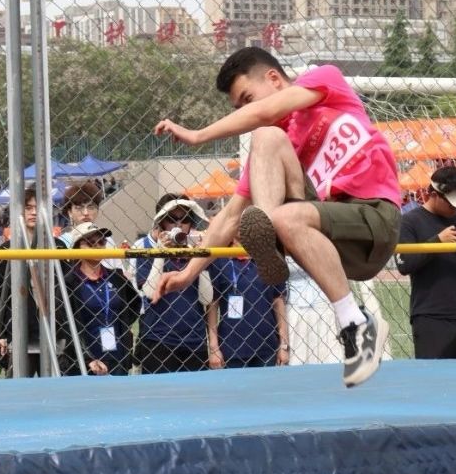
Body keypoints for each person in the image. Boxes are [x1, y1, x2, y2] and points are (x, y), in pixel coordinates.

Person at [151, 47, 400, 387]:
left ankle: (276, 235)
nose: (246, 111)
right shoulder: (276, 141)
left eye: (247, 99)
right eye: (239, 108)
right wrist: (187, 273)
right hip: (331, 239)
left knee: (265, 137)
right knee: (267, 139)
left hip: (373, 215)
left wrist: (198, 135)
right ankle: (351, 320)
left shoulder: (325, 79)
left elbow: (265, 111)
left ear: (273, 78)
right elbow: (229, 216)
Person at [396, 166, 456, 359]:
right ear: (434, 194)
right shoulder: (409, 222)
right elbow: (404, 264)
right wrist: (438, 241)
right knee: (435, 375)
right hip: (431, 316)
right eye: (452, 204)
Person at [0, 191, 64, 377]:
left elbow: (68, 290)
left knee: (56, 388)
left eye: (38, 208)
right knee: (19, 386)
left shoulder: (58, 247)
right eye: (28, 208)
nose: (33, 212)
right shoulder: (7, 249)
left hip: (55, 331)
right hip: (19, 332)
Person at [135, 196, 215, 374]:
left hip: (194, 339)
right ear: (162, 223)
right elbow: (150, 293)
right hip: (158, 339)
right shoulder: (147, 250)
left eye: (184, 219)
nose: (178, 225)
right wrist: (160, 253)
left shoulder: (195, 250)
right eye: (172, 219)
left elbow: (206, 298)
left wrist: (198, 257)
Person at [60, 220, 141, 375]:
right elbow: (64, 325)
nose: (97, 246)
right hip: (83, 362)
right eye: (90, 243)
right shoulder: (69, 283)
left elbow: (134, 303)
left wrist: (122, 326)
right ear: (77, 248)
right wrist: (86, 359)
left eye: (101, 242)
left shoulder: (116, 277)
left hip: (117, 357)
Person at [207, 252, 286, 369]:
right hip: (231, 347)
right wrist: (214, 348)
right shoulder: (220, 260)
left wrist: (284, 345)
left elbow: (278, 303)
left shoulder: (270, 260)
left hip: (266, 346)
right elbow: (213, 305)